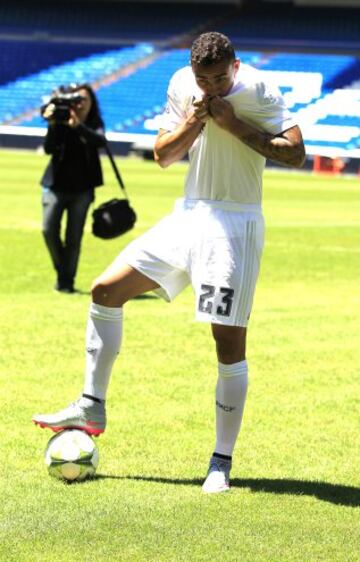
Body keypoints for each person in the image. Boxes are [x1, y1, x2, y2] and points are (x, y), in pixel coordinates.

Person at [33, 32, 305, 493]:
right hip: (188, 215)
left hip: (233, 225)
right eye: (205, 79)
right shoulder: (183, 84)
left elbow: (296, 154)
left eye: (220, 78)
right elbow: (162, 155)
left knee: (227, 344)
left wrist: (236, 125)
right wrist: (199, 121)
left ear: (235, 66)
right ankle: (91, 404)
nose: (213, 87)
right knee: (105, 290)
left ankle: (221, 461)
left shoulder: (259, 90)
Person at [41, 83, 106, 293]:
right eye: (75, 100)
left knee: (73, 237)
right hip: (55, 185)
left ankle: (66, 283)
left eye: (83, 100)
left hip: (83, 189)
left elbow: (99, 141)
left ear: (91, 102)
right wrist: (53, 124)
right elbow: (49, 148)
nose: (79, 104)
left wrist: (78, 126)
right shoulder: (60, 120)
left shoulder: (94, 122)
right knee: (48, 230)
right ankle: (64, 273)